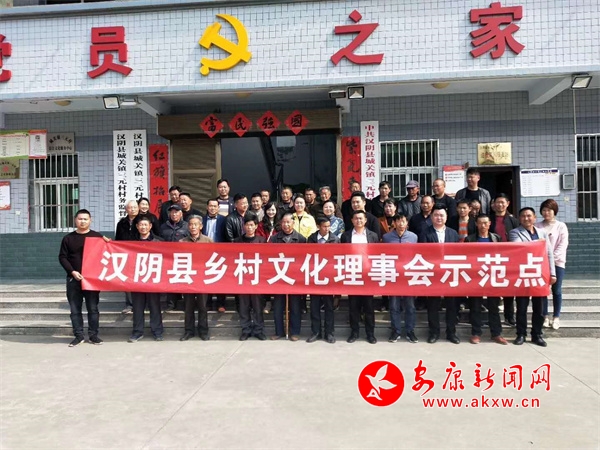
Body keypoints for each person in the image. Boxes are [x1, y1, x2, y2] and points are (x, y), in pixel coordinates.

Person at [509, 207, 557, 347]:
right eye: (523, 216)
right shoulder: (514, 232)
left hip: (539, 274)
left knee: (539, 308)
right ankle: (521, 334)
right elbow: (519, 247)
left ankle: (537, 334)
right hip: (523, 274)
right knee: (521, 307)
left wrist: (552, 273)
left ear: (535, 218)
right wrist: (538, 243)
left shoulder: (542, 233)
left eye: (529, 216)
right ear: (519, 218)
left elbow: (549, 254)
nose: (526, 218)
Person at [58, 209, 105, 347]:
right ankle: (78, 336)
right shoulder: (68, 238)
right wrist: (72, 271)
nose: (82, 221)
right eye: (80, 219)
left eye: (85, 219)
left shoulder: (97, 237)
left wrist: (108, 243)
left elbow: (106, 253)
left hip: (91, 280)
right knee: (75, 310)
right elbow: (62, 257)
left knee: (93, 308)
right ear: (75, 220)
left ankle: (93, 335)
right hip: (73, 279)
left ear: (90, 220)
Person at [418, 205, 461, 344]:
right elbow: (423, 253)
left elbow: (458, 253)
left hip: (449, 272)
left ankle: (451, 333)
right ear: (431, 217)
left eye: (442, 215)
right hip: (433, 274)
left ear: (446, 217)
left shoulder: (453, 233)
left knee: (452, 305)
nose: (439, 218)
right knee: (433, 305)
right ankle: (434, 332)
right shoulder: (425, 233)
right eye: (436, 215)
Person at [464, 214, 508, 345]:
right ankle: (476, 333)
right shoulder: (470, 239)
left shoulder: (496, 238)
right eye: (480, 223)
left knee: (493, 306)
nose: (483, 226)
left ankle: (496, 334)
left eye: (485, 223)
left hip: (492, 276)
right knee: (475, 306)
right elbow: (466, 257)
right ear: (476, 224)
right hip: (476, 276)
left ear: (489, 224)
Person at [341, 210, 380, 344]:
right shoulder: (346, 236)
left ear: (365, 220)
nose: (358, 221)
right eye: (356, 218)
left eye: (361, 218)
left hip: (368, 274)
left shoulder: (373, 236)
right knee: (353, 306)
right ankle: (354, 332)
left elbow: (377, 254)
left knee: (369, 306)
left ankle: (370, 334)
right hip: (352, 274)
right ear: (352, 221)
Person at [269, 212, 307, 341]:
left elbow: (304, 258)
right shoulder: (274, 239)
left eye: (288, 222)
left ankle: (295, 332)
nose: (286, 225)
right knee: (278, 306)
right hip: (279, 276)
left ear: (293, 223)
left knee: (295, 306)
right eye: (283, 222)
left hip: (295, 278)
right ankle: (279, 331)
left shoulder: (301, 239)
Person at [382, 214, 419, 344]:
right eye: (398, 221)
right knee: (394, 305)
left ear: (407, 223)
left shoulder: (414, 237)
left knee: (410, 306)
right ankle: (396, 331)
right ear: (394, 223)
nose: (401, 224)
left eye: (403, 221)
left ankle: (410, 331)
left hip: (409, 276)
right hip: (393, 275)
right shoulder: (386, 237)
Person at [128, 215, 164, 343]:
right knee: (137, 307)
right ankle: (137, 332)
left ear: (150, 226)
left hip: (153, 279)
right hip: (137, 279)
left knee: (155, 307)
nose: (143, 227)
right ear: (137, 227)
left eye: (145, 225)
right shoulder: (131, 243)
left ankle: (157, 332)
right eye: (141, 225)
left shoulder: (159, 242)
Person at [234, 213, 267, 341]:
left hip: (257, 278)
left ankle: (259, 330)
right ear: (244, 226)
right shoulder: (237, 241)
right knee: (244, 306)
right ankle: (246, 329)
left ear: (256, 226)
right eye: (247, 225)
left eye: (252, 225)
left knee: (258, 306)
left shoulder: (261, 241)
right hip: (242, 278)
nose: (249, 227)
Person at [179, 216, 213, 341]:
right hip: (188, 278)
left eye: (195, 224)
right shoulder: (182, 242)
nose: (193, 227)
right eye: (191, 224)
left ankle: (203, 331)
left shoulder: (208, 241)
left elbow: (213, 258)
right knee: (188, 306)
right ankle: (189, 331)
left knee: (202, 306)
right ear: (188, 227)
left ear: (201, 226)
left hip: (202, 278)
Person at [306, 216, 339, 344]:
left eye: (328, 226)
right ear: (318, 227)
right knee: (314, 306)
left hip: (329, 277)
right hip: (315, 276)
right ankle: (316, 332)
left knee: (329, 307)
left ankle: (329, 333)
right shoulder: (312, 239)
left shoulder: (335, 239)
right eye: (324, 226)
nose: (327, 229)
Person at [537, 199, 569, 330]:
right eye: (544, 210)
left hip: (557, 262)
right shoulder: (537, 226)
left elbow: (563, 245)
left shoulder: (561, 226)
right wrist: (543, 259)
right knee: (543, 290)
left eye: (549, 210)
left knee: (556, 290)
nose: (546, 213)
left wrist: (551, 258)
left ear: (554, 211)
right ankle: (545, 316)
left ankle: (556, 317)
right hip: (541, 263)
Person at [489, 193, 520, 326]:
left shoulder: (513, 221)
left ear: (507, 204)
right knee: (492, 288)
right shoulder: (489, 219)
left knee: (509, 288)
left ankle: (509, 315)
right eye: (497, 202)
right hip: (491, 258)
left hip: (509, 258)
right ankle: (493, 316)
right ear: (493, 204)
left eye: (503, 202)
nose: (500, 205)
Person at [160, 204, 189, 311]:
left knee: (184, 281)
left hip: (183, 259)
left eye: (176, 212)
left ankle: (186, 304)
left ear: (181, 214)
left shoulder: (187, 226)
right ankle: (171, 304)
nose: (174, 214)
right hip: (168, 259)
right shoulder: (163, 226)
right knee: (170, 281)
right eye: (172, 212)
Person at [115, 199, 139, 313]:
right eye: (130, 207)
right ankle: (129, 304)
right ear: (126, 209)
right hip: (126, 255)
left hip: (140, 255)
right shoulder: (121, 223)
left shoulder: (143, 221)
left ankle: (141, 304)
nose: (132, 209)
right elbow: (117, 240)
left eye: (134, 207)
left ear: (138, 209)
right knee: (128, 280)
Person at [203, 198, 227, 312]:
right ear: (207, 207)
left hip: (220, 253)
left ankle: (220, 303)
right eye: (210, 206)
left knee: (220, 278)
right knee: (206, 277)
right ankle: (207, 303)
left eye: (215, 206)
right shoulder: (201, 220)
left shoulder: (224, 220)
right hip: (205, 253)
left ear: (218, 208)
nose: (212, 208)